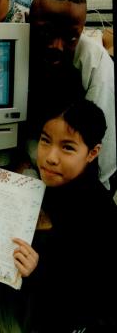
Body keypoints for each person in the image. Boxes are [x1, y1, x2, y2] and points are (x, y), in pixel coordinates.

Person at [29, 99, 117, 332]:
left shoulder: (95, 214)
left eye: (67, 147)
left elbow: (83, 292)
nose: (50, 157)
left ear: (92, 153)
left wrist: (37, 269)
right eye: (45, 141)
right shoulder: (60, 184)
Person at [27, 0, 116, 192]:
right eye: (46, 33)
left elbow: (99, 144)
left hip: (79, 175)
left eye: (70, 37)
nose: (57, 46)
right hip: (35, 162)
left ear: (81, 30)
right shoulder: (18, 46)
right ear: (30, 21)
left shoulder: (94, 60)